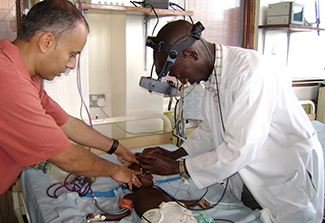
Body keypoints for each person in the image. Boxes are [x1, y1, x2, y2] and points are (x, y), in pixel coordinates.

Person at [136, 20, 324, 223]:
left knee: (296, 216)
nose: (182, 81)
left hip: (284, 170)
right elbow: (210, 129)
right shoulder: (213, 77)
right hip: (251, 174)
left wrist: (178, 168)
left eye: (180, 74)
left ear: (192, 54)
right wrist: (175, 154)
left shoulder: (250, 72)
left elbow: (241, 148)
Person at [0, 1, 141, 222]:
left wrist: (116, 147)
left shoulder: (24, 77)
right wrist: (115, 170)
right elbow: (68, 158)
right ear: (47, 42)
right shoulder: (8, 81)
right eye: (72, 54)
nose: (72, 65)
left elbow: (66, 123)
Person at [86, 162, 212, 223]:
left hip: (178, 214)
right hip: (157, 218)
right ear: (130, 179)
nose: (148, 174)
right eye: (141, 173)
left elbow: (177, 203)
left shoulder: (159, 189)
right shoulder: (130, 196)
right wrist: (102, 217)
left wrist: (197, 202)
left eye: (148, 172)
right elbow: (123, 213)